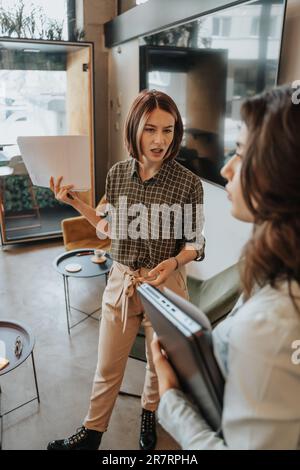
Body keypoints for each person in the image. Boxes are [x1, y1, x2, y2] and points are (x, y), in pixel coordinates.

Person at [47, 89, 205, 450]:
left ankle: (149, 414)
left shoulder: (188, 183)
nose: (159, 140)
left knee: (155, 365)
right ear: (134, 129)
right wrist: (73, 201)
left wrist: (173, 262)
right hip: (122, 280)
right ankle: (92, 433)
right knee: (106, 366)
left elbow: (197, 243)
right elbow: (105, 226)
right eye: (150, 129)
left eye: (168, 130)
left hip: (166, 285)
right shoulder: (117, 175)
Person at [151, 84, 300, 450]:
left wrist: (170, 396)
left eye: (241, 153)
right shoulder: (271, 264)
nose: (225, 168)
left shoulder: (271, 326)